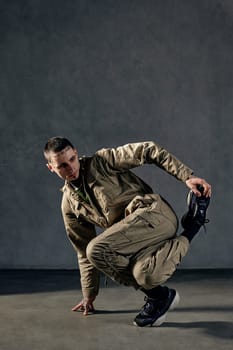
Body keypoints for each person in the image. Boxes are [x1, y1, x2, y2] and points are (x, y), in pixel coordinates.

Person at [44, 137, 211, 327]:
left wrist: (186, 176)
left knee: (96, 250)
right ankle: (163, 291)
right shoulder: (69, 205)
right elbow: (82, 250)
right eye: (62, 166)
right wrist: (89, 295)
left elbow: (148, 150)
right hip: (138, 241)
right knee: (145, 277)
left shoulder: (101, 162)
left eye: (72, 159)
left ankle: (157, 298)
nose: (71, 168)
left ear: (76, 152)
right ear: (51, 167)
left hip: (154, 215)